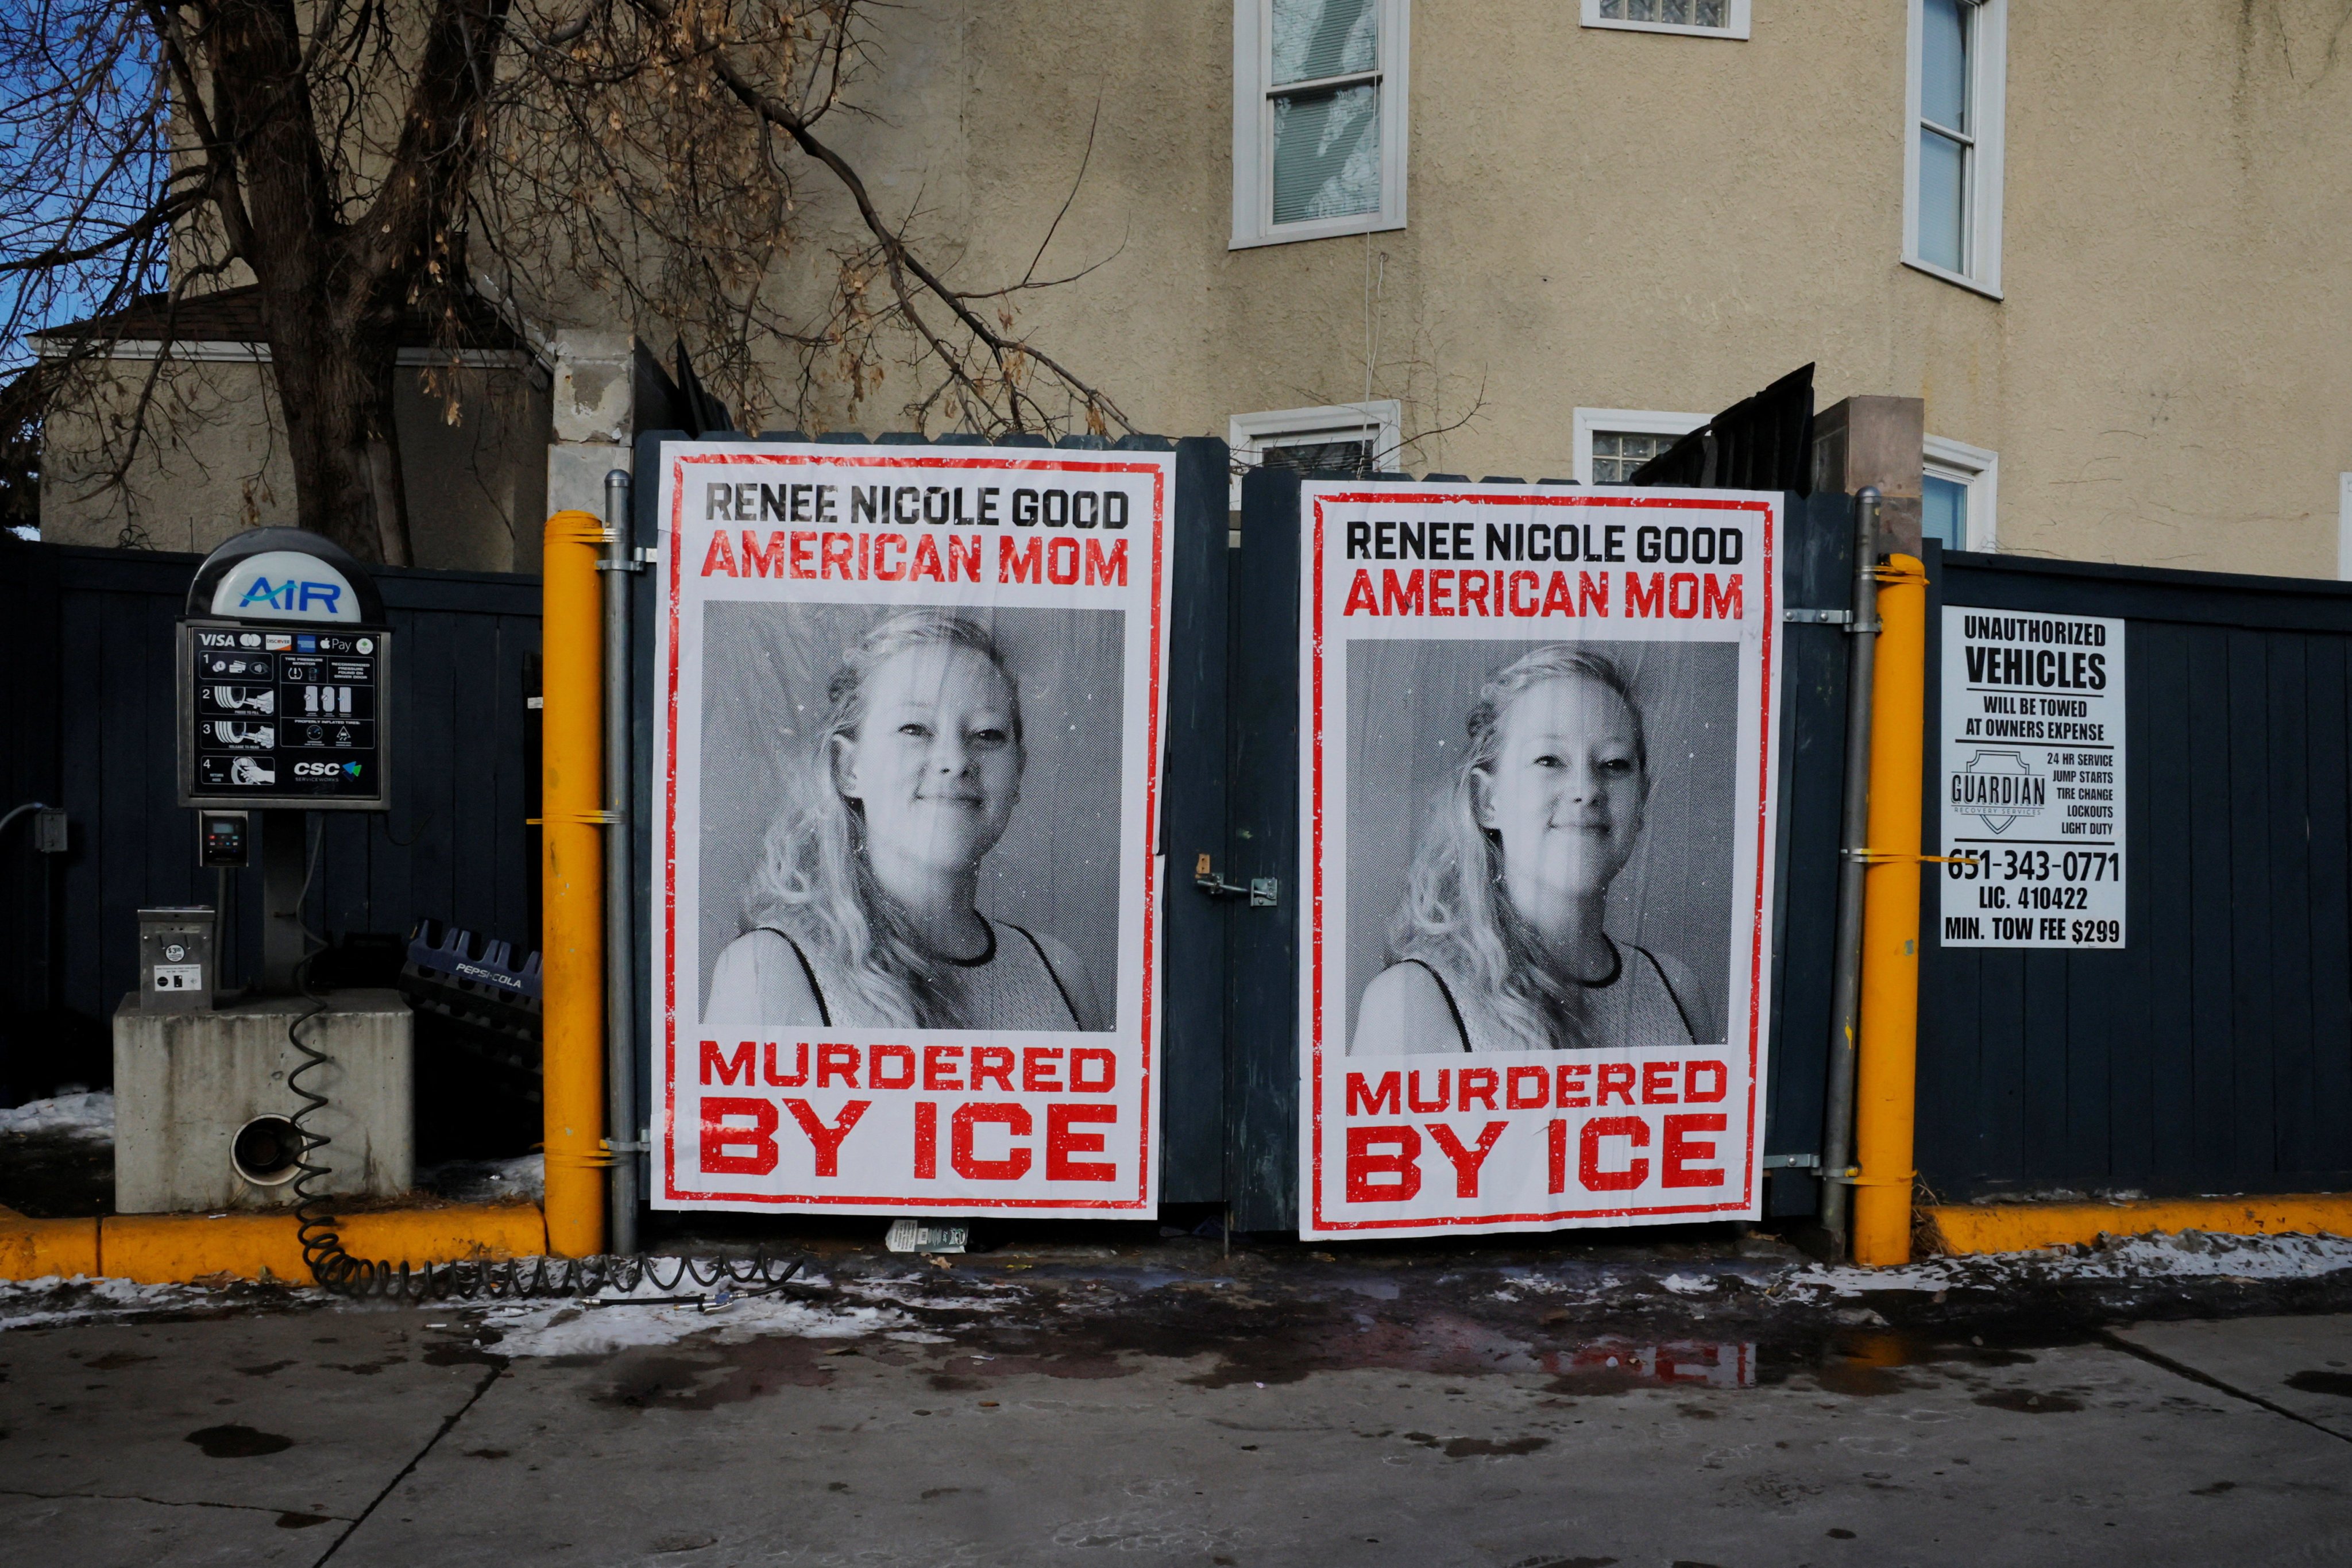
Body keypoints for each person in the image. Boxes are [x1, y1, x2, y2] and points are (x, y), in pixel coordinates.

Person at [705, 610, 1107, 1032]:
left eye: (987, 734)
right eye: (914, 729)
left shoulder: (1060, 975)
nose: (955, 761)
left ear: (1018, 770)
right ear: (849, 768)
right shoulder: (770, 972)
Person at [1350, 644, 1698, 1055]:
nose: (1587, 789)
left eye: (1614, 764)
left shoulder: (1676, 992)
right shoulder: (1413, 1003)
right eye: (1549, 760)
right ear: (1487, 801)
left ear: (1640, 802)